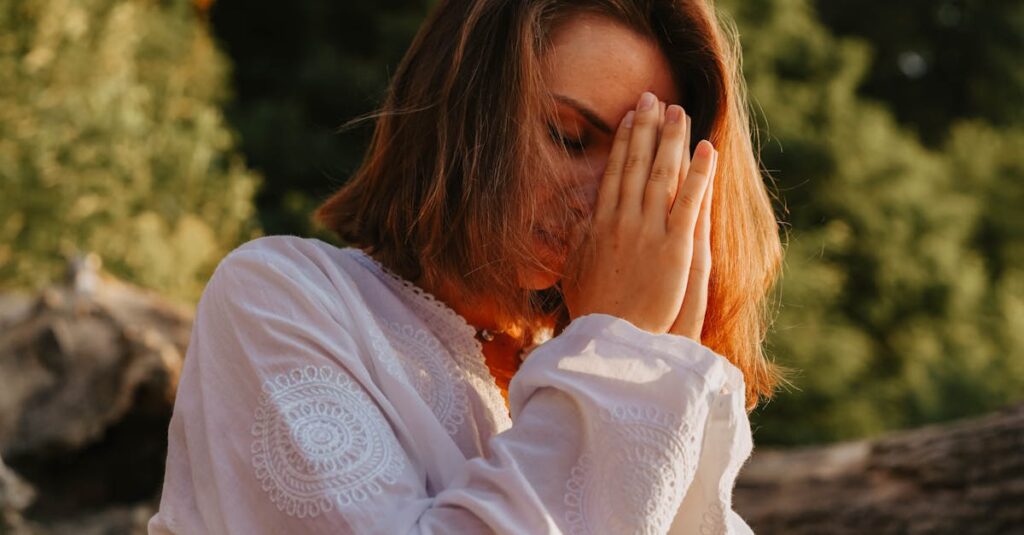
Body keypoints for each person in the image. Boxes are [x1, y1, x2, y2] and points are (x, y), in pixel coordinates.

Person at [148, 0, 784, 533]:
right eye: (568, 136)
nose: (602, 205)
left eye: (642, 169)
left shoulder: (612, 372)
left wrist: (649, 368)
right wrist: (619, 356)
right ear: (466, 113)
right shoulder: (282, 297)